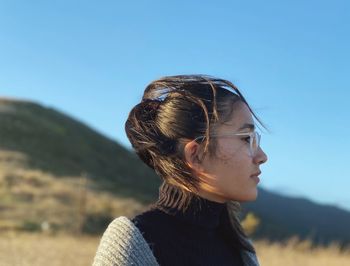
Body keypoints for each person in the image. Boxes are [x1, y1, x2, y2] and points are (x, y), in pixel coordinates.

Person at [93, 75, 268, 266]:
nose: (262, 156)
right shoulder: (133, 245)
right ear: (196, 154)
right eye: (246, 138)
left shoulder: (239, 246)